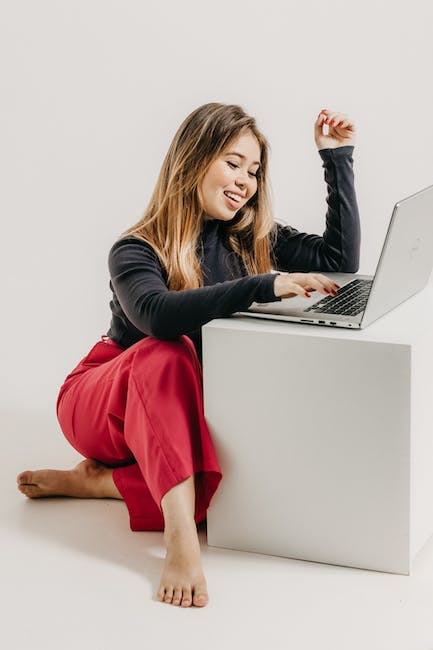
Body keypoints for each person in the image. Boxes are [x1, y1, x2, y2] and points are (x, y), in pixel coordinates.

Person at [17, 102, 360, 608]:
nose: (246, 181)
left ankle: (98, 482)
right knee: (168, 350)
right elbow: (156, 315)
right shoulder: (136, 248)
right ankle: (179, 543)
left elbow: (341, 261)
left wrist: (337, 158)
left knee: (224, 494)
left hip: (167, 418)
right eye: (233, 162)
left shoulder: (252, 239)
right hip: (102, 400)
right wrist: (263, 286)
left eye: (255, 171)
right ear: (194, 159)